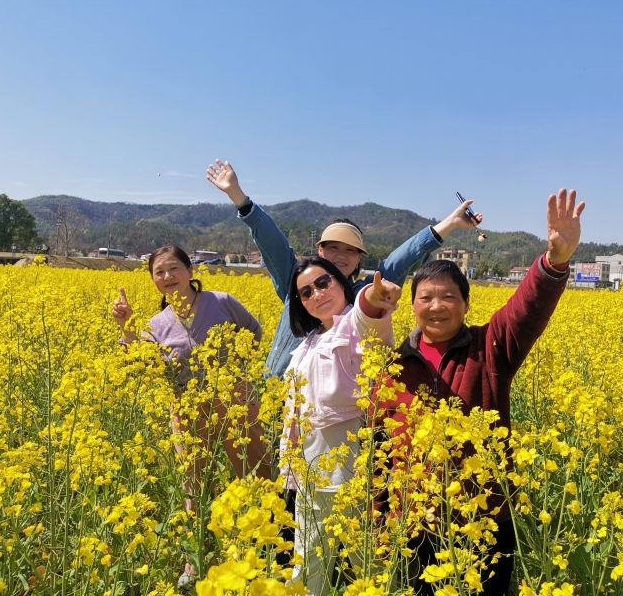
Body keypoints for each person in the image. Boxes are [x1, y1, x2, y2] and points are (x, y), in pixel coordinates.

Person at [374, 189, 585, 595]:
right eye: (426, 297)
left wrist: (554, 261)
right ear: (412, 305)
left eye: (448, 297)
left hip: (485, 520)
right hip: (417, 523)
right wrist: (380, 520)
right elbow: (380, 449)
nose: (437, 306)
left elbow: (526, 308)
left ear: (466, 305)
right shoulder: (393, 366)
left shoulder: (491, 347)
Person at [206, 159, 483, 379]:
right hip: (277, 400)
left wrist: (449, 223)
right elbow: (272, 241)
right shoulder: (297, 282)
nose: (341, 256)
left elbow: (402, 259)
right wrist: (238, 196)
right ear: (320, 250)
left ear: (359, 259)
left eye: (350, 250)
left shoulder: (362, 295)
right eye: (333, 248)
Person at [110, 245, 267, 588]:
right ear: (153, 280)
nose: (167, 277)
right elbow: (140, 364)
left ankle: (265, 543)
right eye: (159, 272)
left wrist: (241, 371)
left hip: (235, 398)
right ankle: (195, 558)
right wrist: (127, 327)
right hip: (184, 406)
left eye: (173, 268)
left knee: (254, 468)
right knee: (193, 481)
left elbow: (253, 332)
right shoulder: (155, 324)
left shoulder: (221, 301)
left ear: (190, 270)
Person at [282, 256, 402, 596]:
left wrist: (372, 299)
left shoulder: (352, 325)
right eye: (305, 292)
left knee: (368, 564)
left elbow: (369, 315)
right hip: (310, 471)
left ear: (340, 282)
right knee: (307, 563)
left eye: (323, 283)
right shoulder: (307, 342)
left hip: (352, 472)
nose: (316, 294)